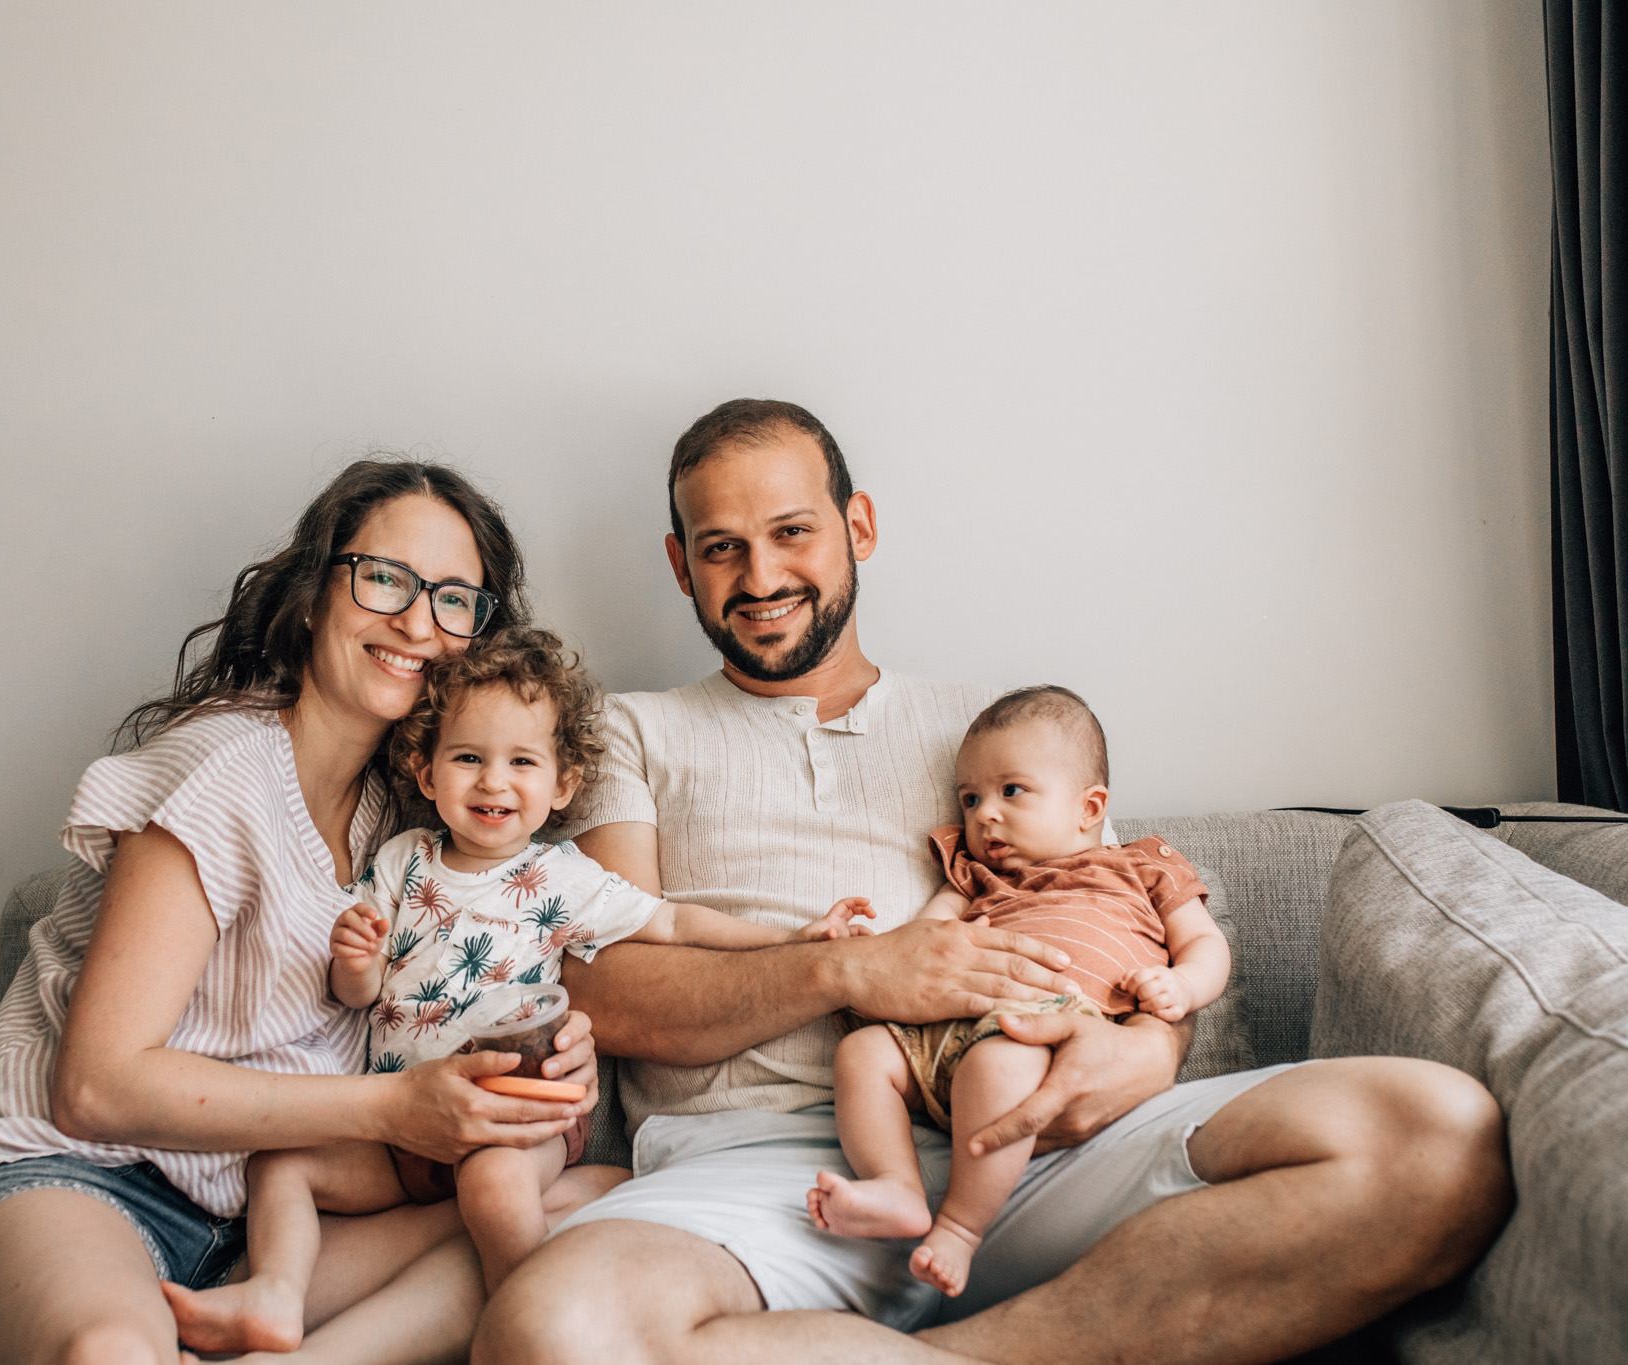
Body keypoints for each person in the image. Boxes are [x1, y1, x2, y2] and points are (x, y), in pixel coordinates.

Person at [475, 399, 1513, 1365]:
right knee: (549, 1328)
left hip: (1037, 1144)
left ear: (857, 527)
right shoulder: (625, 732)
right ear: (679, 564)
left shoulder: (991, 728)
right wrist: (857, 973)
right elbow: (608, 995)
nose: (759, 575)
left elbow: (1130, 923)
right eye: (720, 548)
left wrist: (1145, 1053)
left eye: (791, 531)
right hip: (760, 1179)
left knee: (1434, 1137)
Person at [0, 459, 608, 1365]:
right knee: (110, 1352)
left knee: (597, 1214)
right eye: (384, 578)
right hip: (69, 1178)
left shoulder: (415, 821)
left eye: (454, 598)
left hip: (255, 1222)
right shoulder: (220, 771)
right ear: (313, 597)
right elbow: (95, 1088)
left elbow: (438, 995)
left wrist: (536, 1045)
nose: (418, 621)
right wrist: (390, 1108)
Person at [164, 627, 872, 1353]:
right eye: (468, 757)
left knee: (493, 1188)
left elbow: (673, 920)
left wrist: (791, 939)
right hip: (403, 1123)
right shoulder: (403, 860)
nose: (493, 781)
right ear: (426, 769)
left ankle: (524, 1319)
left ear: (562, 783)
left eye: (522, 761)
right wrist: (355, 958)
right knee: (281, 1163)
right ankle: (275, 1293)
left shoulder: (560, 877)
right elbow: (359, 993)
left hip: (514, 1119)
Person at [808, 685, 1229, 1299]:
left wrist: (1181, 985)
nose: (984, 814)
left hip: (1051, 1026)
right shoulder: (972, 875)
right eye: (971, 798)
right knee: (863, 1054)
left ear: (1090, 808)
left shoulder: (1142, 865)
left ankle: (958, 1227)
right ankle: (895, 1186)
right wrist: (859, 949)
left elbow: (1205, 944)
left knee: (997, 1060)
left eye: (1012, 791)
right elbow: (922, 940)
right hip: (951, 1024)